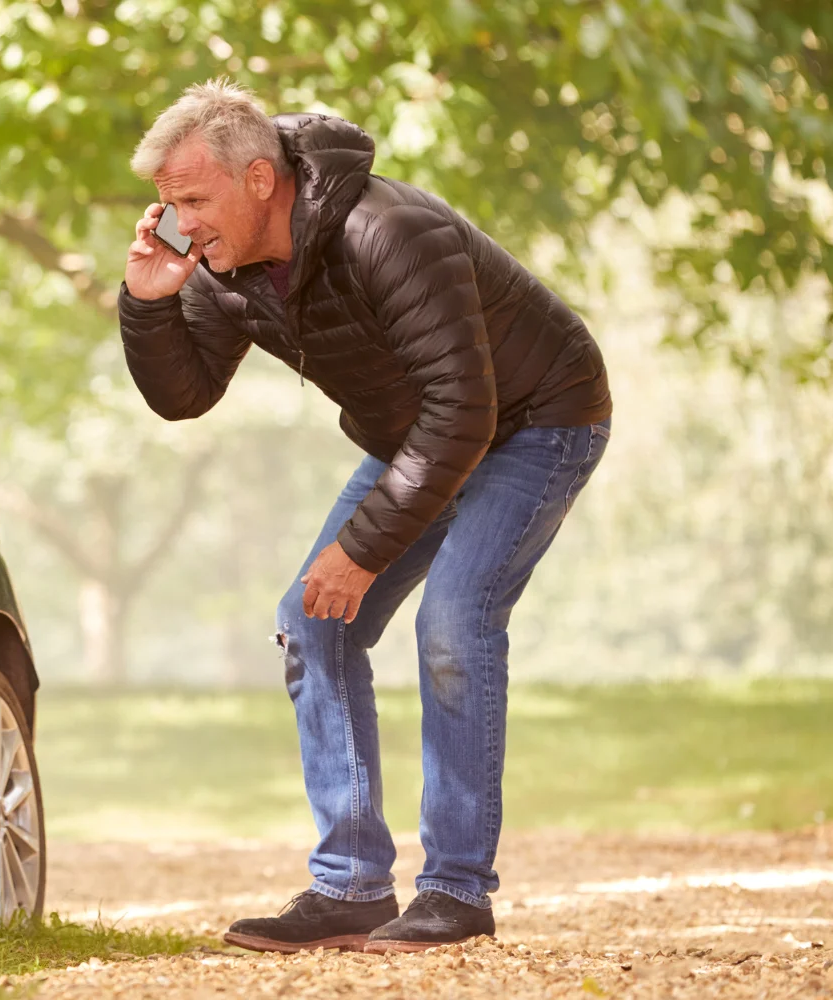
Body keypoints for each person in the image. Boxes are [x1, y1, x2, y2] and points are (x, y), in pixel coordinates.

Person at [119, 79, 613, 953]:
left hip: (539, 418)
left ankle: (457, 894)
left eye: (193, 199)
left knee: (454, 622)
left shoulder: (387, 231)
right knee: (312, 623)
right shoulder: (227, 268)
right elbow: (184, 395)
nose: (179, 221)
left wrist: (362, 548)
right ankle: (350, 886)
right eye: (167, 203)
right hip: (422, 434)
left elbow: (465, 406)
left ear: (261, 179)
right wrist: (149, 301)